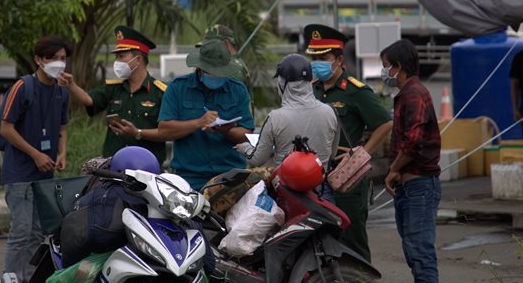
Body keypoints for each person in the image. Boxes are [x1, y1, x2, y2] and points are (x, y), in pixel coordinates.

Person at [305, 24, 392, 262]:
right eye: (313, 57)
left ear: (339, 59)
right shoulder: (312, 90)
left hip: (347, 178)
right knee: (322, 241)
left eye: (323, 57)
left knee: (352, 242)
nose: (317, 62)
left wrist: (362, 151)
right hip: (315, 178)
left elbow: (384, 123)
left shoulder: (355, 91)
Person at [0, 36, 71, 283]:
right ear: (39, 60)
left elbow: (62, 126)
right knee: (20, 231)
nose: (59, 64)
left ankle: (29, 282)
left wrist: (62, 152)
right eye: (53, 58)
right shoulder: (22, 87)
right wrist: (36, 154)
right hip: (20, 172)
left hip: (45, 173)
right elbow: (6, 129)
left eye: (62, 59)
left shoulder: (62, 90)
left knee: (38, 231)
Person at [381, 39, 441, 283]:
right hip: (411, 186)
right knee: (415, 253)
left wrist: (393, 169)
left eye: (386, 68)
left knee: (421, 254)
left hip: (419, 185)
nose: (385, 73)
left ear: (398, 67)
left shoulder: (414, 94)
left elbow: (413, 140)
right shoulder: (407, 95)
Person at [238, 54, 338, 199]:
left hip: (287, 193)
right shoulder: (330, 112)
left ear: (282, 83)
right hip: (322, 192)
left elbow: (257, 159)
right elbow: (332, 154)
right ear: (309, 81)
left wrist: (243, 147)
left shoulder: (275, 118)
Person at [158, 39, 254, 190]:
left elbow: (247, 134)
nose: (216, 76)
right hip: (188, 178)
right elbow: (164, 130)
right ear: (199, 67)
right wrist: (198, 123)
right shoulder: (177, 88)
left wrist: (225, 130)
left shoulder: (238, 90)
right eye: (212, 72)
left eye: (220, 72)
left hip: (230, 177)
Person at [63, 26, 167, 164]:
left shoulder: (160, 92)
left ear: (138, 59)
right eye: (116, 57)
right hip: (115, 165)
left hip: (147, 166)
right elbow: (89, 99)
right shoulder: (114, 88)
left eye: (122, 56)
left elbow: (167, 132)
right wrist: (71, 85)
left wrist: (137, 132)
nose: (117, 62)